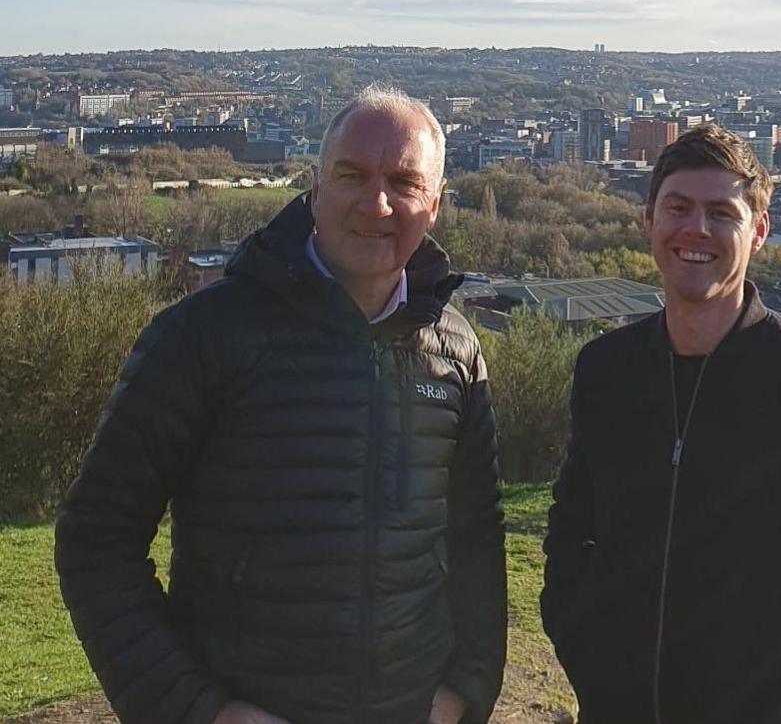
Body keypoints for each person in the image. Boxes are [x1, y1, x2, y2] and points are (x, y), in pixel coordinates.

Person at [54, 85, 506, 724]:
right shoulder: (203, 336)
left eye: (404, 182)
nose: (376, 202)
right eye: (353, 175)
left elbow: (477, 539)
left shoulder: (455, 349)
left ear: (433, 206)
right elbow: (95, 541)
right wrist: (198, 711)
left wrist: (465, 689)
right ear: (315, 188)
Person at [540, 123, 781, 724]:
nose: (695, 229)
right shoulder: (607, 369)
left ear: (759, 231)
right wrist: (581, 638)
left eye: (721, 213)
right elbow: (573, 526)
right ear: (649, 220)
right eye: (678, 208)